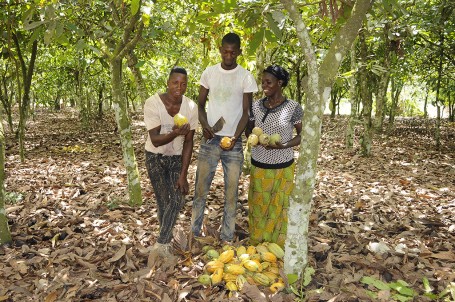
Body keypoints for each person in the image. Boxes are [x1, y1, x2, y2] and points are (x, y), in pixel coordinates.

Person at [191, 32, 258, 244]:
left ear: (239, 52)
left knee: (231, 194)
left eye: (233, 52)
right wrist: (205, 125)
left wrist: (236, 136)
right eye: (225, 51)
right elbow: (199, 105)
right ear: (220, 50)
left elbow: (246, 112)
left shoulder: (245, 77)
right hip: (210, 140)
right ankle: (194, 234)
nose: (229, 56)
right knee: (200, 189)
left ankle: (227, 237)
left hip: (234, 143)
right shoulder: (209, 73)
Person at [144, 67, 198, 264]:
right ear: (168, 83)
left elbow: (189, 142)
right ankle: (164, 244)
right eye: (175, 83)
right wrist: (176, 133)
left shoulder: (191, 107)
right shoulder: (153, 103)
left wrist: (183, 174)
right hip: (154, 156)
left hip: (176, 157)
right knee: (163, 201)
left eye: (183, 84)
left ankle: (161, 243)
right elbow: (156, 140)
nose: (179, 87)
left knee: (177, 199)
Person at [246, 65, 303, 247]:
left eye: (268, 82)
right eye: (263, 82)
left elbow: (302, 135)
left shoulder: (293, 107)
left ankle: (276, 247)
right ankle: (258, 244)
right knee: (258, 206)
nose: (264, 85)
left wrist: (283, 146)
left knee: (279, 207)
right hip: (259, 165)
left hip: (283, 167)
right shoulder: (256, 106)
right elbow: (249, 131)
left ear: (280, 83)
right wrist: (254, 137)